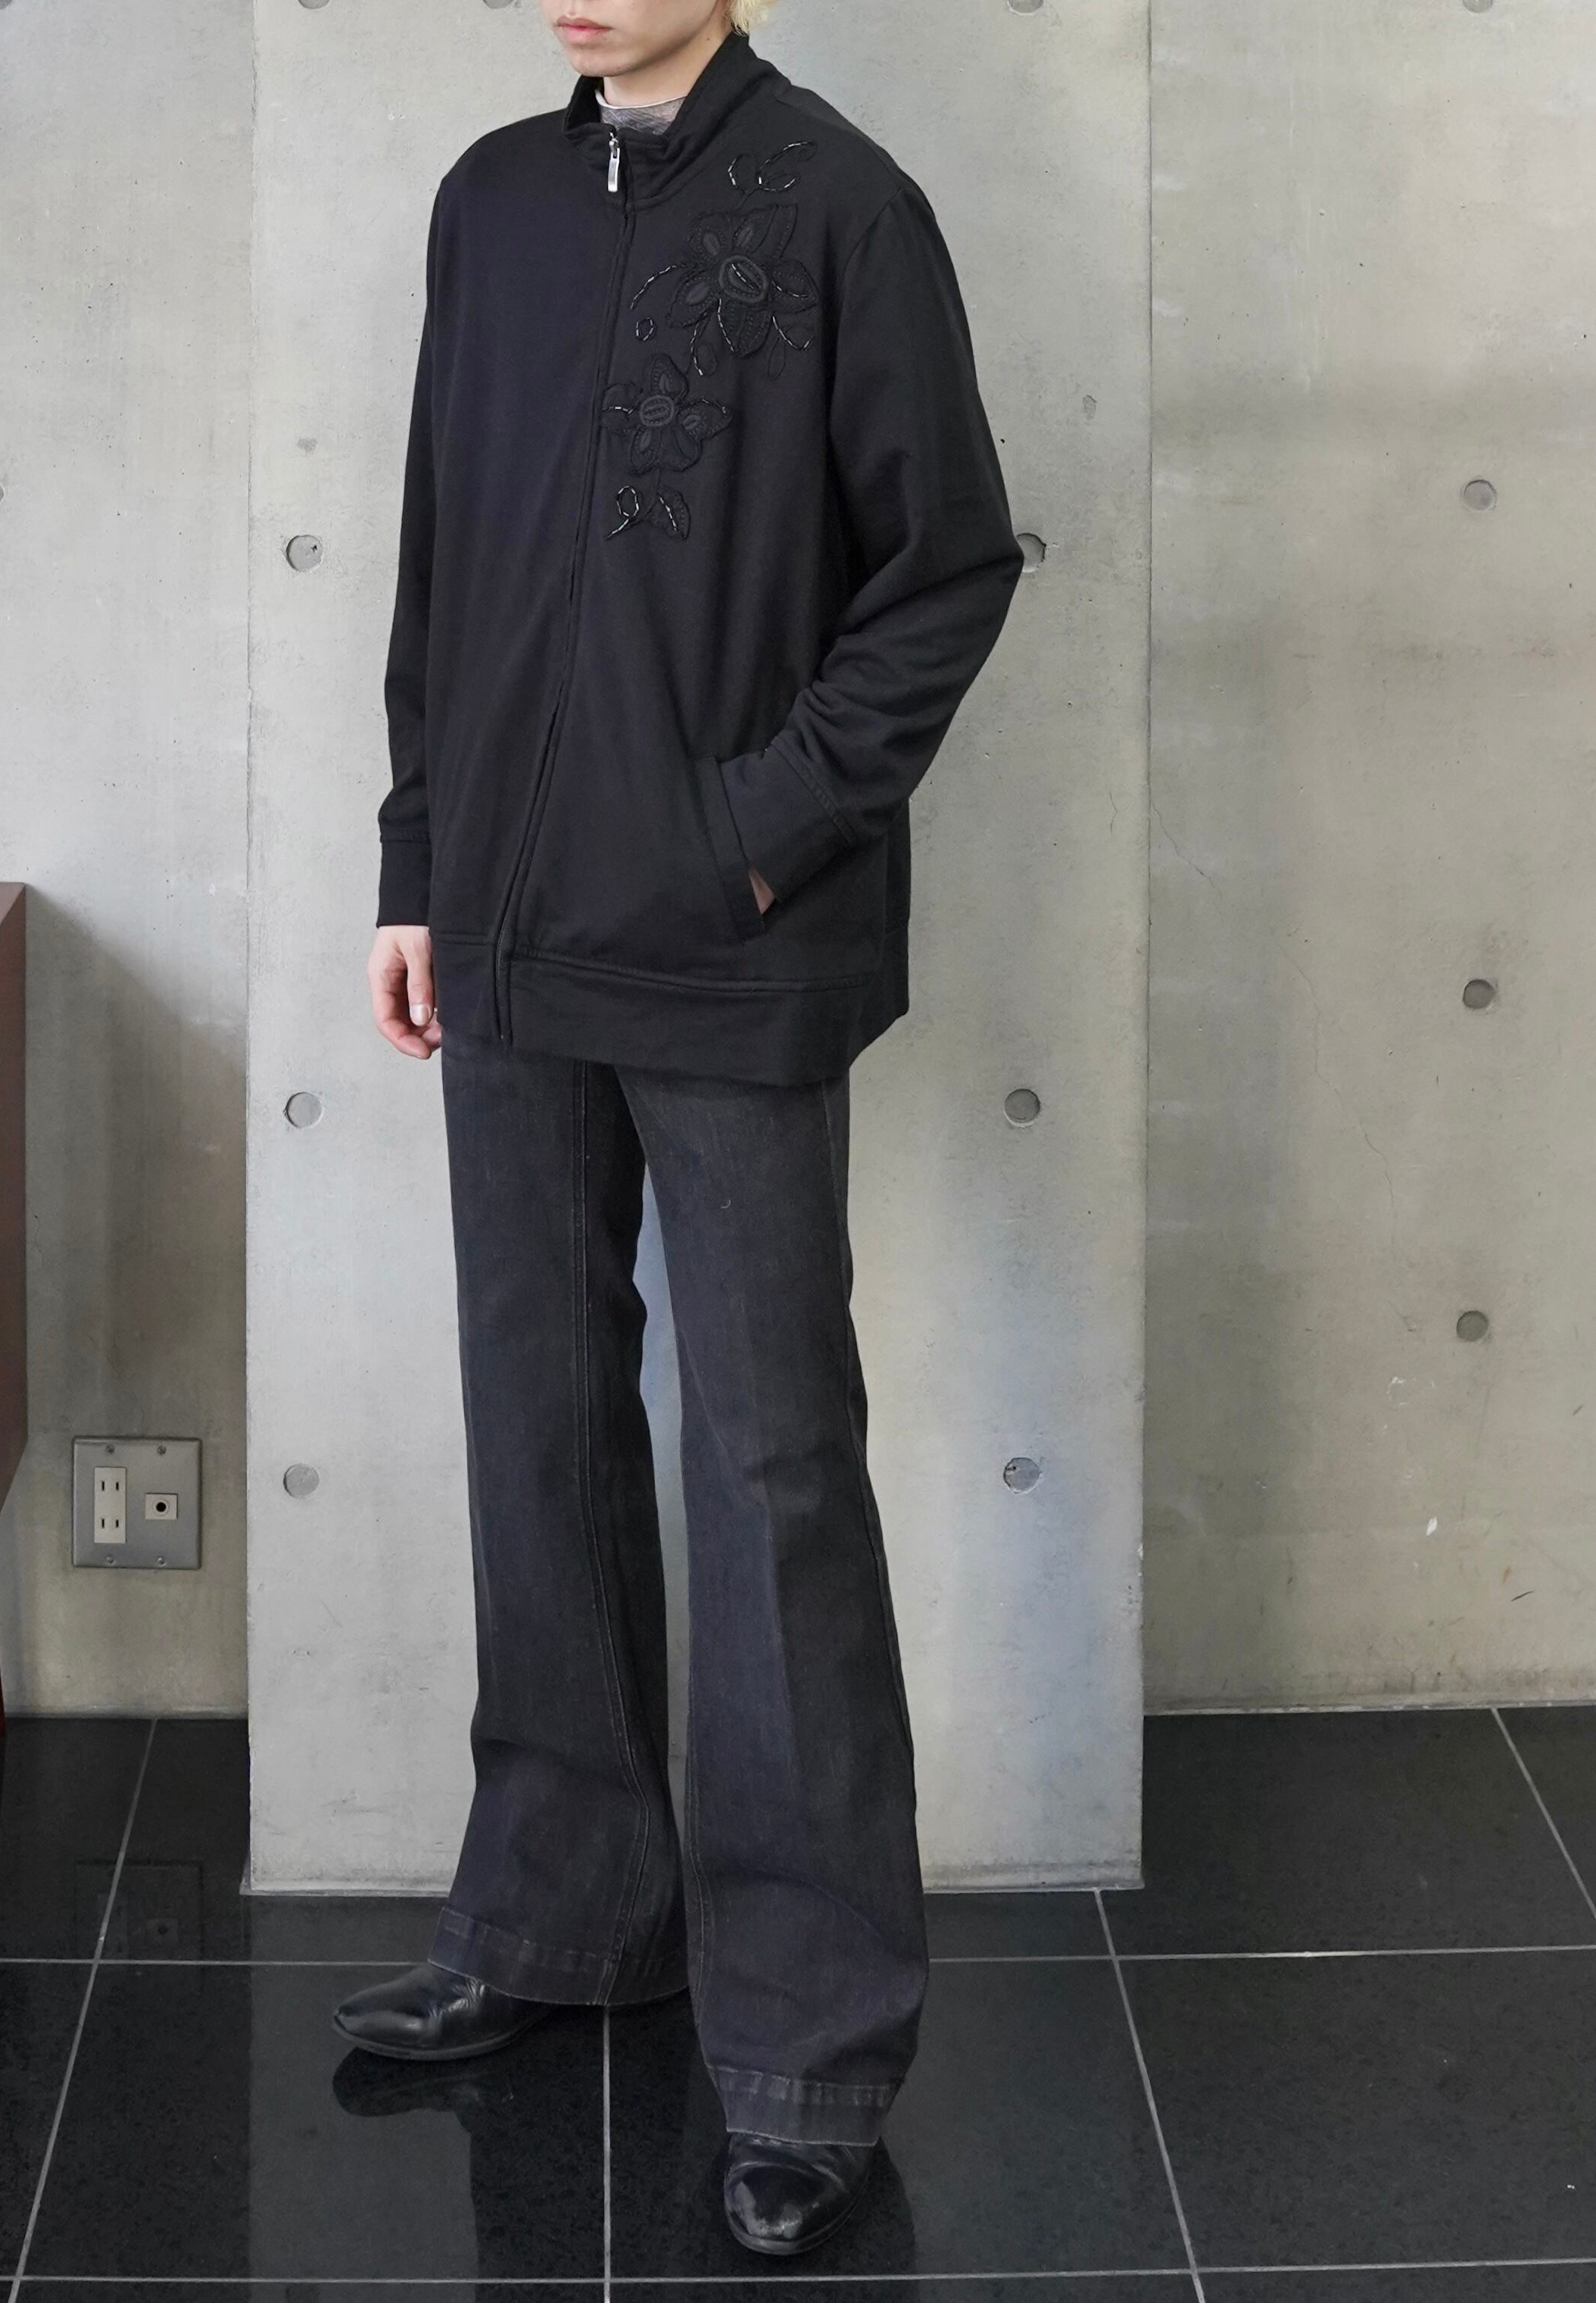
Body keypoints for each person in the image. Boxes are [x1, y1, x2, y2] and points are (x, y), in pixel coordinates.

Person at [334, 0, 1022, 2258]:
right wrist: (416, 864)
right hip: (506, 935)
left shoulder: (842, 207)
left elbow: (946, 571)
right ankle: (563, 1916)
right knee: (536, 1411)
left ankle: (810, 2046)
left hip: (735, 945)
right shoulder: (493, 203)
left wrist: (751, 834)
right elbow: (438, 563)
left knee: (769, 1467)